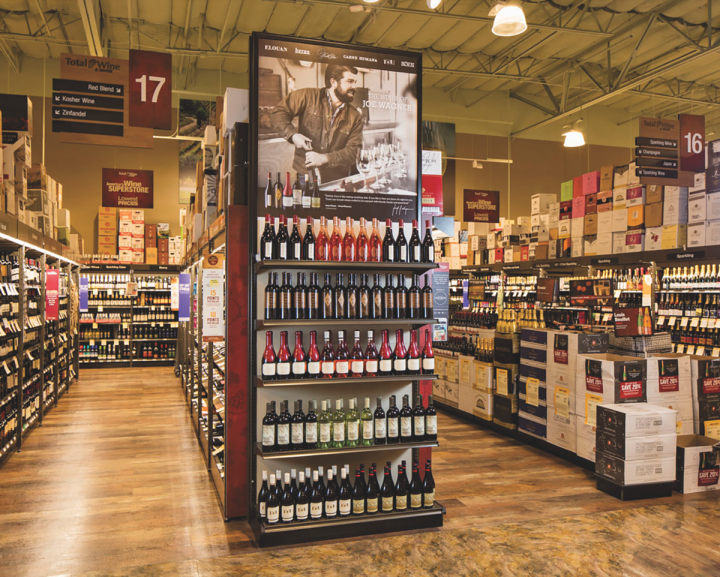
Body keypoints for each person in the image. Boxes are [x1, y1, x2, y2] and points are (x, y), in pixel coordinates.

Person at [270, 64, 364, 184]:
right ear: (333, 82)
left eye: (355, 82)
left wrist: (324, 158)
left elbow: (353, 152)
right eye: (350, 81)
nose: (354, 87)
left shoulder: (355, 116)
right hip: (306, 175)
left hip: (338, 179)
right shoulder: (307, 96)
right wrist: (293, 135)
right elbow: (277, 113)